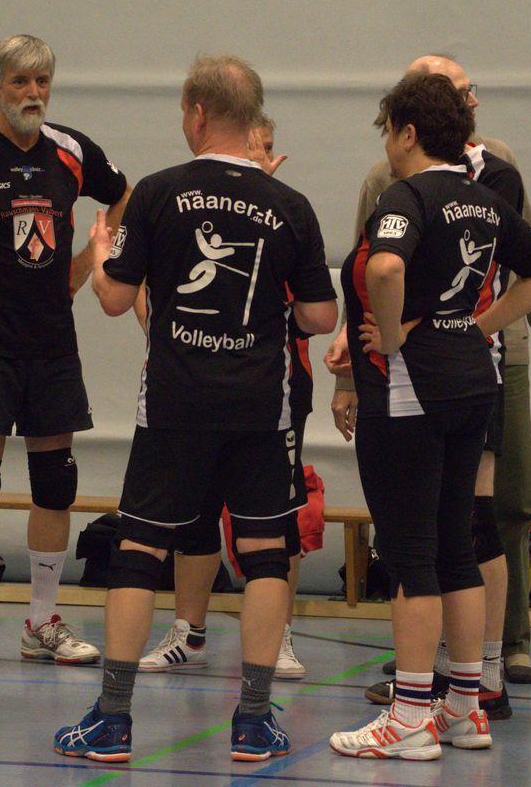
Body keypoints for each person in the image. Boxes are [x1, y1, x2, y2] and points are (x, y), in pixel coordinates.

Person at [54, 55, 338, 763]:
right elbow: (322, 314)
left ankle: (113, 722)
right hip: (259, 410)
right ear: (255, 119)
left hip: (175, 407)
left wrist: (98, 252)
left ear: (198, 112)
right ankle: (252, 720)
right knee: (265, 552)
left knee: (140, 549)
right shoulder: (289, 205)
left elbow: (118, 298)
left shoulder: (157, 193)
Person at [327, 72, 531, 760]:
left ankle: (407, 715)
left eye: (389, 134)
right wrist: (477, 324)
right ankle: (465, 708)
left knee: (410, 553)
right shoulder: (482, 200)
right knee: (457, 542)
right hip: (473, 385)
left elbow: (384, 269)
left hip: (410, 393)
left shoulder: (406, 196)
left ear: (406, 132)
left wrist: (397, 335)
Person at [0, 34, 132, 670]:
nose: (33, 94)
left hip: (52, 345)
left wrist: (90, 261)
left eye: (41, 82)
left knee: (56, 485)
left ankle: (42, 620)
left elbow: (123, 196)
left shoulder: (72, 151)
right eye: (20, 83)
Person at [138, 113, 319, 680]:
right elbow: (152, 307)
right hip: (192, 386)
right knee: (192, 515)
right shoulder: (183, 202)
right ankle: (187, 632)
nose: (260, 155)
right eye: (253, 146)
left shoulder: (284, 212)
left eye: (268, 147)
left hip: (274, 387)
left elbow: (313, 310)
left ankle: (278, 637)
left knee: (273, 520)